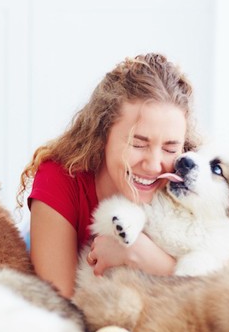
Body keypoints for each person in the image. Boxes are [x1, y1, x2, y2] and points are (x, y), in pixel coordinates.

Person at [17, 53, 201, 298]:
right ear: (102, 134)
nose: (154, 165)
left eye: (170, 149)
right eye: (138, 143)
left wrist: (139, 255)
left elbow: (224, 291)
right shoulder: (60, 178)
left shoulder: (187, 190)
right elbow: (62, 309)